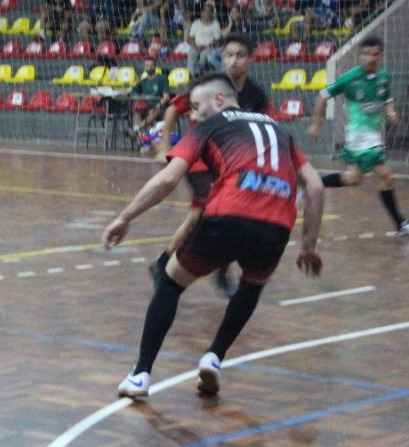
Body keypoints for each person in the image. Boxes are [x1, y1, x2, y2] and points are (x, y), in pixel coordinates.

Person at [102, 73, 324, 399]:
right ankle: (214, 357)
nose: (191, 115)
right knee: (252, 285)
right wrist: (308, 244)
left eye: (194, 107)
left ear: (218, 100)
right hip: (276, 226)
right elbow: (315, 186)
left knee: (170, 281)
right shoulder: (281, 131)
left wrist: (125, 217)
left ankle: (140, 375)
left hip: (228, 215)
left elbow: (167, 180)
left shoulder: (210, 126)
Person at [152, 33, 275, 298]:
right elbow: (173, 109)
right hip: (200, 159)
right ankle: (193, 269)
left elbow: (266, 129)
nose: (233, 61)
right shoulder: (209, 86)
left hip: (229, 165)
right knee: (223, 214)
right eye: (228, 55)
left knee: (205, 217)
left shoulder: (256, 96)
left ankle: (165, 263)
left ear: (251, 60)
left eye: (239, 55)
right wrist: (164, 146)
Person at [307, 36, 409, 236]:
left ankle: (313, 185)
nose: (371, 58)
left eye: (375, 54)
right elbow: (322, 96)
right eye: (367, 54)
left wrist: (390, 111)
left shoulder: (383, 77)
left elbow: (387, 98)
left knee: (353, 178)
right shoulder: (350, 78)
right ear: (359, 55)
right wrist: (316, 124)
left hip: (374, 137)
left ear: (381, 55)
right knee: (384, 173)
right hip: (358, 137)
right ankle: (401, 224)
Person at [129, 53, 171, 137]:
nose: (149, 67)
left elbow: (166, 97)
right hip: (147, 106)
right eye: (147, 65)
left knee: (155, 110)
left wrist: (158, 105)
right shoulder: (142, 82)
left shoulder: (162, 78)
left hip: (161, 107)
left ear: (155, 66)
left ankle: (136, 129)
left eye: (151, 65)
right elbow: (131, 91)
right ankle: (141, 138)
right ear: (144, 66)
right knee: (137, 111)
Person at [187, 2, 222, 75]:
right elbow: (191, 37)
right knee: (191, 53)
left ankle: (199, 74)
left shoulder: (216, 24)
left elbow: (216, 40)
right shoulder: (196, 23)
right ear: (202, 12)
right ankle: (190, 74)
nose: (207, 13)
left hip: (209, 47)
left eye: (210, 11)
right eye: (205, 11)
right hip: (196, 46)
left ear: (212, 13)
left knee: (203, 56)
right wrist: (196, 45)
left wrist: (205, 46)